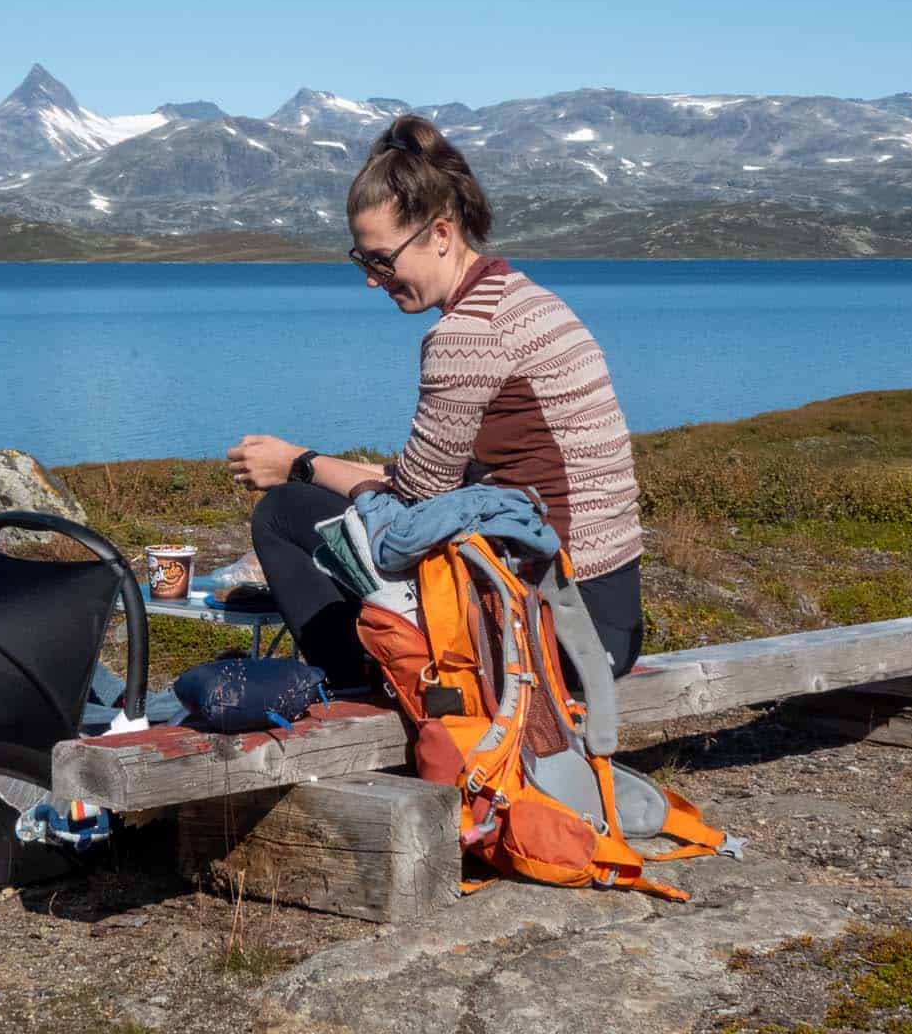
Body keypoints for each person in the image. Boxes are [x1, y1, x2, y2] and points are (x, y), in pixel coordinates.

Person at [225, 114, 646, 689]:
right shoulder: (527, 298)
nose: (373, 279)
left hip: (553, 634)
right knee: (322, 500)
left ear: (441, 235)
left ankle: (366, 696)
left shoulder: (466, 334)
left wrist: (297, 463)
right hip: (608, 616)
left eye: (380, 259)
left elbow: (415, 502)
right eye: (360, 261)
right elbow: (441, 480)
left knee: (283, 513)